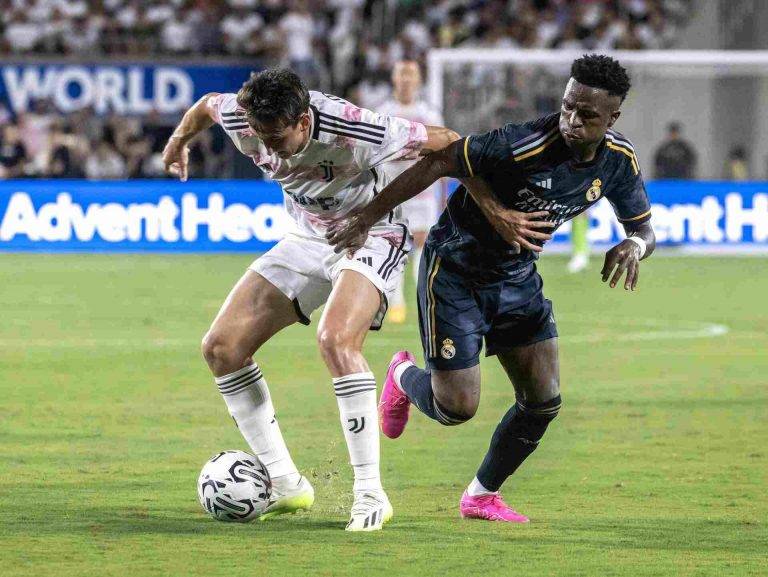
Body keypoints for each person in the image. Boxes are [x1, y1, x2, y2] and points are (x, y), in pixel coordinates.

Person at [327, 54, 656, 523]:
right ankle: (401, 376)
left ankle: (480, 495)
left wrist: (634, 246)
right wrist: (365, 216)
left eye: (587, 116)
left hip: (519, 279)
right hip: (456, 271)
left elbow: (645, 229)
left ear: (612, 119)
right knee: (457, 408)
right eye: (567, 106)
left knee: (543, 402)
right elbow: (444, 158)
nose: (571, 120)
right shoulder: (522, 143)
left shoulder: (618, 162)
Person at [161, 68, 458, 531]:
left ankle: (369, 493)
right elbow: (205, 106)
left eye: (275, 138)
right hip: (304, 237)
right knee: (221, 348)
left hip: (371, 234)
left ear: (304, 121)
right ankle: (284, 482)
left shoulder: (354, 126)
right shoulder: (244, 118)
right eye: (258, 136)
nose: (266, 151)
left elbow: (450, 141)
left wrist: (491, 208)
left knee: (336, 340)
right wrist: (179, 140)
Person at [377, 60, 446, 323]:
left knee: (421, 241)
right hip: (392, 187)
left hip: (422, 188)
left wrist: (442, 194)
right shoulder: (384, 112)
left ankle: (419, 297)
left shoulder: (429, 114)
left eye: (411, 75)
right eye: (402, 74)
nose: (406, 79)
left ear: (419, 80)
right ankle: (395, 300)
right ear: (394, 78)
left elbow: (442, 155)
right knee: (394, 242)